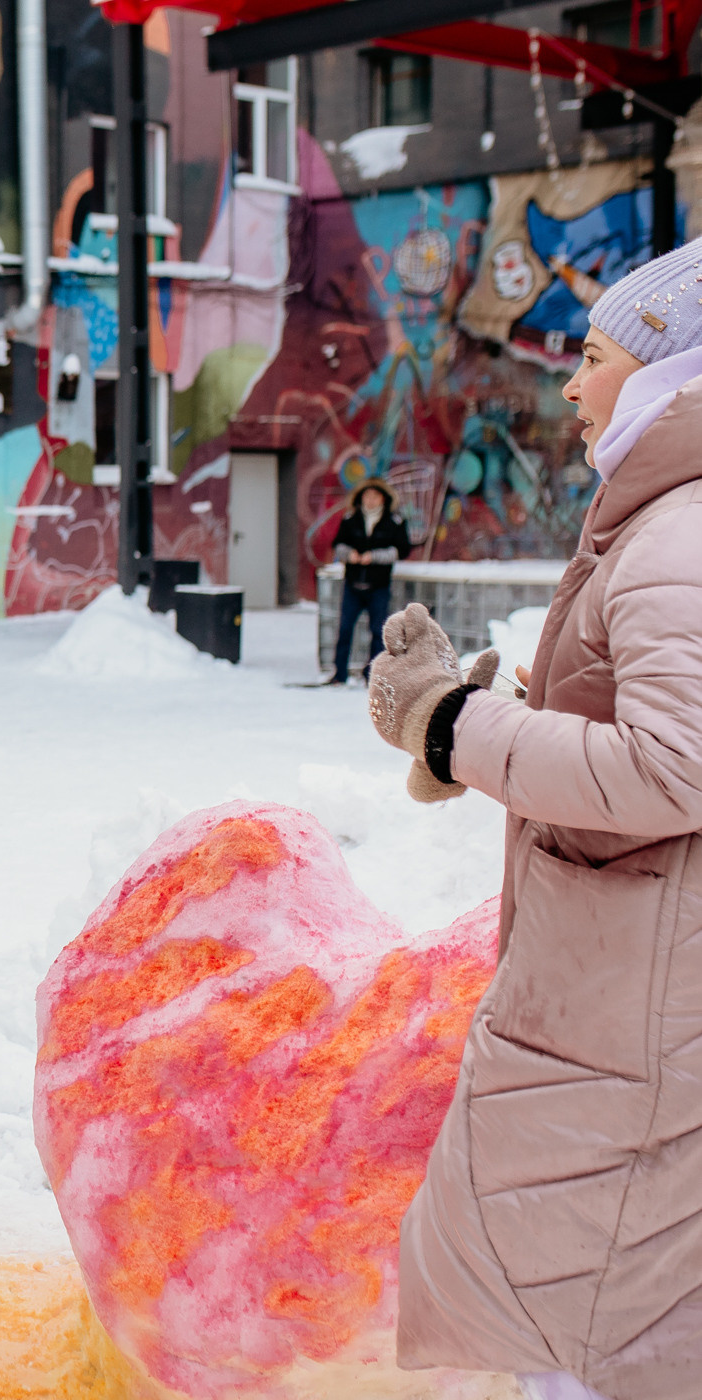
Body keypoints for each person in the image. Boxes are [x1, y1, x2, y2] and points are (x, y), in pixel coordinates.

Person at [368, 248, 702, 1400]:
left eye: (597, 359)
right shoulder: (664, 521)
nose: (569, 386)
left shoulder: (678, 533)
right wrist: (502, 725)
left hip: (638, 1011)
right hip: (637, 990)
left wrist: (451, 725)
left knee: (584, 1324)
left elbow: (675, 763)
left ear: (673, 378)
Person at [326, 478, 412, 684]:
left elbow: (402, 550)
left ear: (383, 498)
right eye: (367, 496)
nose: (370, 500)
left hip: (378, 586)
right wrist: (349, 555)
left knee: (377, 631)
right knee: (345, 629)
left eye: (375, 496)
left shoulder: (394, 522)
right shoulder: (350, 519)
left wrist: (374, 557)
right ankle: (339, 674)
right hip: (353, 584)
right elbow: (338, 544)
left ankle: (373, 675)